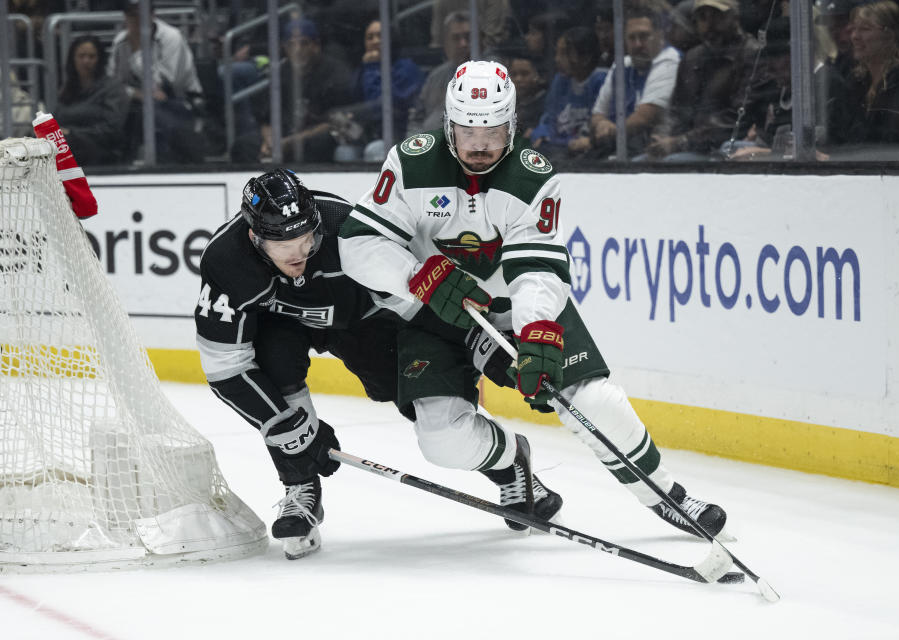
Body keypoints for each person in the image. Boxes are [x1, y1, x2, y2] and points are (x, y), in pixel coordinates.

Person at [338, 60, 729, 539]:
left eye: (494, 131)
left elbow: (536, 268)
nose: (480, 144)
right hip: (431, 315)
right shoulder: (411, 163)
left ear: (513, 125)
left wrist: (535, 331)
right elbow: (358, 243)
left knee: (592, 400)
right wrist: (420, 278)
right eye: (467, 130)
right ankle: (510, 461)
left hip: (509, 309)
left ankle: (669, 495)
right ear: (447, 125)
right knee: (441, 440)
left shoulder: (533, 178)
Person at [195, 169, 413, 559]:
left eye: (306, 239)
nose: (299, 253)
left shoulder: (347, 227)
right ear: (255, 238)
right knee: (273, 370)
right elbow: (224, 364)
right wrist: (289, 428)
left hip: (360, 319)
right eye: (283, 244)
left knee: (417, 396)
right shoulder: (226, 260)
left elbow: (409, 301)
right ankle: (301, 488)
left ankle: (509, 468)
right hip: (284, 326)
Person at [643, 0, 770, 161]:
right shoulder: (691, 58)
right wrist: (661, 135)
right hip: (685, 145)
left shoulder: (752, 55)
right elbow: (675, 110)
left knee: (671, 163)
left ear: (735, 17)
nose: (709, 24)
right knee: (639, 163)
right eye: (702, 17)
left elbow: (737, 120)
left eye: (716, 16)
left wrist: (681, 142)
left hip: (725, 149)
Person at [108, 0, 207, 164]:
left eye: (141, 13)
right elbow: (112, 85)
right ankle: (118, 165)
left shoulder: (171, 37)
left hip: (180, 101)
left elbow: (167, 84)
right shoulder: (120, 41)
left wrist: (137, 50)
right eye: (132, 14)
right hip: (137, 103)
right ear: (125, 16)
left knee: (148, 114)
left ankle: (164, 165)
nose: (136, 19)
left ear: (152, 15)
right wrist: (137, 94)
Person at [836, 0, 899, 158]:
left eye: (865, 29)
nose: (855, 36)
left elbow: (897, 141)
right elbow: (839, 131)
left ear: (890, 35)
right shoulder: (857, 80)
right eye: (854, 29)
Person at [584, 4, 680, 158]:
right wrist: (602, 124)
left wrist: (610, 130)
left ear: (660, 35)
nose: (637, 44)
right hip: (622, 146)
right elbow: (597, 114)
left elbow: (644, 118)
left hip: (652, 149)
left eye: (644, 36)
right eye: (631, 38)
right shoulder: (622, 65)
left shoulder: (669, 59)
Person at [256, 18, 354, 163]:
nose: (297, 49)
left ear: (316, 45)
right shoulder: (281, 73)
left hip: (314, 138)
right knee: (244, 144)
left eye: (304, 43)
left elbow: (336, 123)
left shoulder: (335, 72)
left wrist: (290, 143)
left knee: (321, 143)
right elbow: (266, 118)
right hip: (283, 138)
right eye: (291, 44)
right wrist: (270, 142)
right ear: (284, 47)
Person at [344, 19, 425, 163]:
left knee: (374, 150)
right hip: (366, 135)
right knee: (344, 153)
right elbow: (353, 100)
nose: (375, 41)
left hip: (399, 136)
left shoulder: (406, 69)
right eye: (370, 37)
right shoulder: (362, 69)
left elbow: (383, 106)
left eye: (380, 36)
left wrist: (373, 67)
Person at [529, 26, 608, 161]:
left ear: (586, 57)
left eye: (564, 53)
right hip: (560, 151)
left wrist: (587, 141)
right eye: (557, 53)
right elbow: (548, 120)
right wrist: (541, 134)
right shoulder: (561, 80)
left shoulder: (601, 81)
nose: (557, 59)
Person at [57, 35, 130, 166]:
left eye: (91, 56)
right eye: (81, 56)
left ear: (100, 59)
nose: (86, 61)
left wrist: (73, 134)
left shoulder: (112, 88)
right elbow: (57, 118)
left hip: (99, 147)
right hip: (67, 145)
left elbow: (112, 129)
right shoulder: (68, 89)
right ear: (73, 59)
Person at [407, 11, 473, 135]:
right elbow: (416, 120)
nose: (463, 44)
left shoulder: (491, 75)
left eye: (468, 38)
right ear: (446, 43)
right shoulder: (435, 77)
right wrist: (416, 146)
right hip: (430, 148)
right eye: (456, 38)